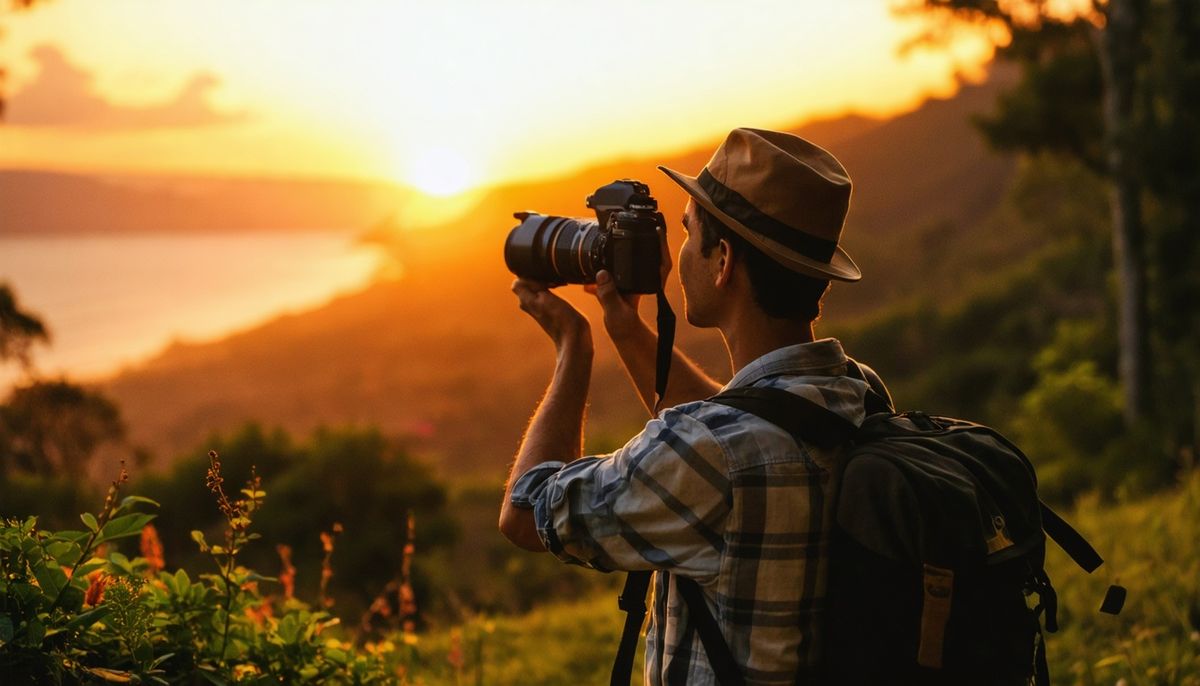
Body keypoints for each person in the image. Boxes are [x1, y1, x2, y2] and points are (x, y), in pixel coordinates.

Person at [498, 128, 887, 685]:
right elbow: (749, 422)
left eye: (685, 233)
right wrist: (628, 330)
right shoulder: (855, 393)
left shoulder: (709, 452)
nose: (674, 256)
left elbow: (525, 511)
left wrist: (573, 349)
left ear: (722, 260)